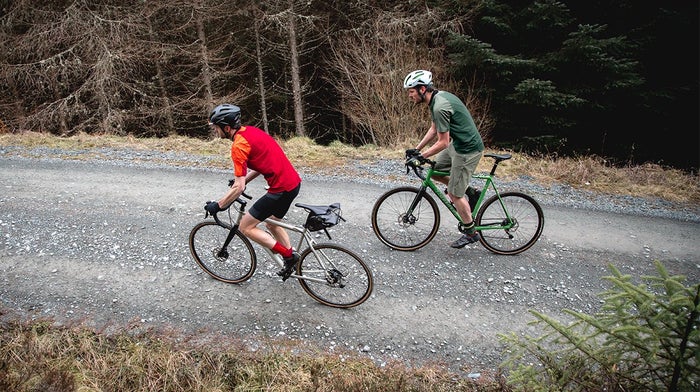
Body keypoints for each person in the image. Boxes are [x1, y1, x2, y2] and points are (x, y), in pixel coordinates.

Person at [204, 103, 302, 280]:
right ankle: (291, 258)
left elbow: (239, 188)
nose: (216, 132)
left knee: (246, 226)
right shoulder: (251, 132)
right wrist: (241, 180)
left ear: (227, 128)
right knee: (272, 224)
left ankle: (288, 255)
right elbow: (260, 165)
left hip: (280, 189)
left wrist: (218, 205)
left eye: (217, 128)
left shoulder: (238, 147)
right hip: (293, 183)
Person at [403, 70, 485, 249]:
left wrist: (422, 156)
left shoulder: (439, 106)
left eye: (411, 91)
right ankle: (471, 193)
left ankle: (471, 232)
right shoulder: (436, 99)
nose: (409, 95)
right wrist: (417, 149)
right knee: (435, 170)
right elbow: (434, 129)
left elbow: (443, 142)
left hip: (468, 150)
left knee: (455, 194)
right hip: (458, 145)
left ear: (422, 89)